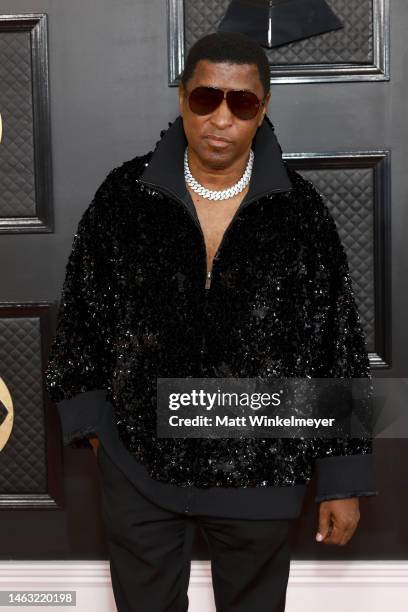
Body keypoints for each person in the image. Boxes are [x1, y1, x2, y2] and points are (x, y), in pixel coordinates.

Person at [45, 32, 378, 612]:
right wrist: (97, 426)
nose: (221, 117)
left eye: (241, 102)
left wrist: (343, 478)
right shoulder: (125, 195)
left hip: (262, 468)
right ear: (182, 99)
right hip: (138, 467)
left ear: (263, 108)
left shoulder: (301, 212)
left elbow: (337, 343)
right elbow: (81, 311)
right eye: (206, 98)